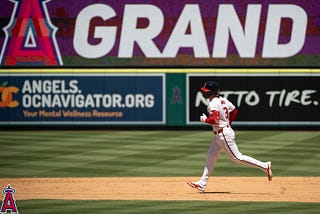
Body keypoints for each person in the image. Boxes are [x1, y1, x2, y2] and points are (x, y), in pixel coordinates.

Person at [187, 81, 272, 192]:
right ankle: (202, 183)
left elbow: (215, 120)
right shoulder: (223, 100)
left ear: (211, 92)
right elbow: (234, 111)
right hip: (221, 133)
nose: (204, 93)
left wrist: (204, 120)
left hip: (223, 134)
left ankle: (265, 166)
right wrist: (228, 123)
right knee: (211, 157)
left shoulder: (213, 104)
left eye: (206, 91)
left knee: (237, 158)